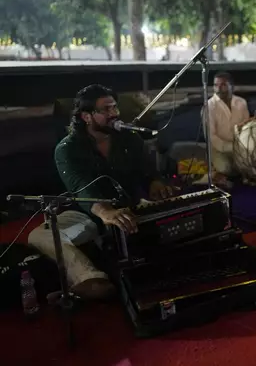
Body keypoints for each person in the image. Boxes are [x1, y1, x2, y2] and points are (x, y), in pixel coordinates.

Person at [27, 84, 177, 300]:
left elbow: (148, 171)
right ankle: (90, 279)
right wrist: (105, 212)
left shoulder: (130, 138)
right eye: (106, 110)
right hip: (87, 215)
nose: (114, 114)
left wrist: (156, 183)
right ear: (86, 117)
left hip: (131, 207)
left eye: (114, 107)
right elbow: (80, 186)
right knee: (39, 235)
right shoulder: (67, 148)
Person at [201, 72, 250, 186]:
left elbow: (246, 127)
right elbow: (211, 137)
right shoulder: (209, 106)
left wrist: (245, 147)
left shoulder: (241, 102)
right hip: (217, 149)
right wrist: (232, 148)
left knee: (254, 164)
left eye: (223, 85)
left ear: (231, 86)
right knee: (225, 168)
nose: (218, 88)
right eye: (215, 85)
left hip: (240, 146)